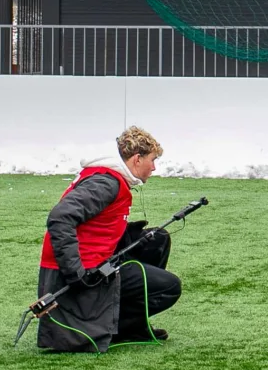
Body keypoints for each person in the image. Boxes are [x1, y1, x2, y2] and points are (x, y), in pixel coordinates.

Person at [37, 128, 181, 352]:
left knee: (156, 240)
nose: (154, 167)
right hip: (78, 275)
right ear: (136, 159)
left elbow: (94, 225)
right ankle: (116, 328)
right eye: (152, 160)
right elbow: (60, 217)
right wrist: (75, 273)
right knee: (170, 287)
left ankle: (132, 325)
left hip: (90, 261)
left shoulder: (108, 178)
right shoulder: (106, 183)